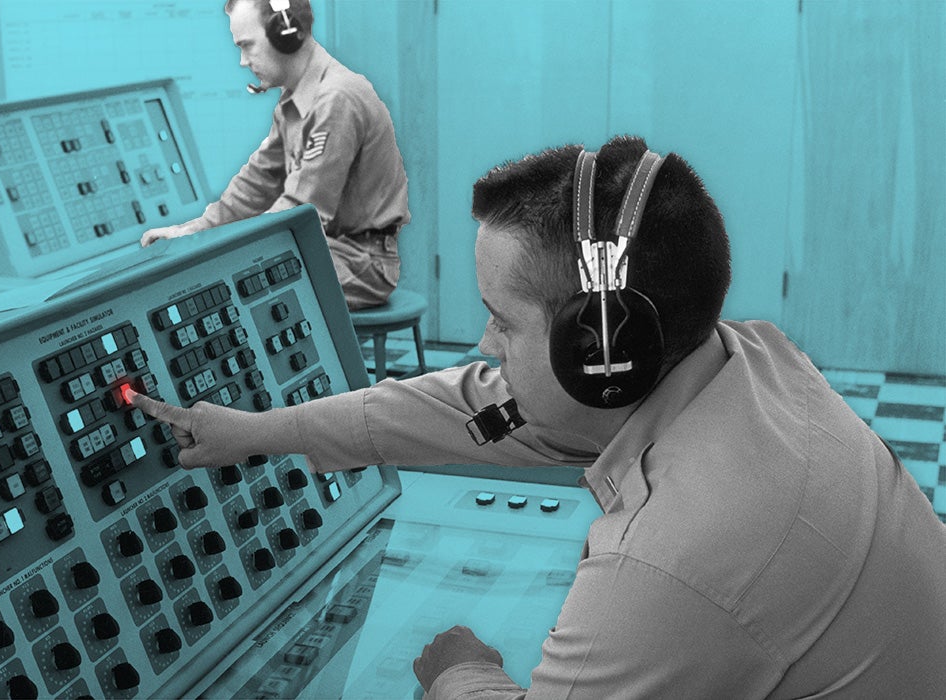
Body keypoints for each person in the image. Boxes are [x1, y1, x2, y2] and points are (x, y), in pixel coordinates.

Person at [128, 136, 946, 698]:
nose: (483, 344)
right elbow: (467, 411)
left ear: (600, 351)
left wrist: (459, 670)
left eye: (501, 320)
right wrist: (259, 432)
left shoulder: (667, 568)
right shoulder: (749, 360)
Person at [141, 0, 410, 310]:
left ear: (285, 34)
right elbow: (255, 184)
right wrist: (191, 232)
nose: (243, 61)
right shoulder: (295, 99)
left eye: (247, 46)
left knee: (229, 287)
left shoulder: (337, 99)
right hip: (334, 251)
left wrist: (217, 250)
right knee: (219, 278)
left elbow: (300, 209)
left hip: (362, 264)